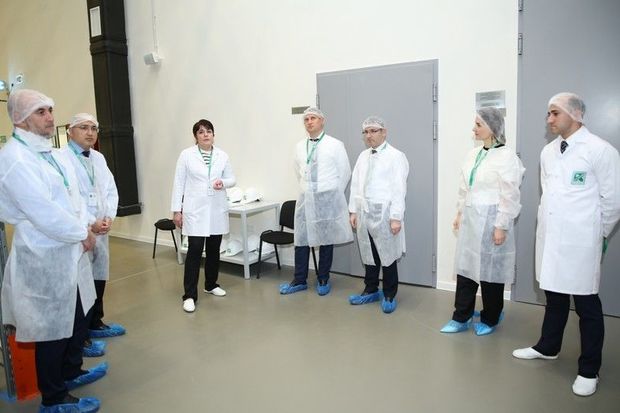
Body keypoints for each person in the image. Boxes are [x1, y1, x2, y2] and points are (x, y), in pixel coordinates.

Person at [0, 89, 106, 413]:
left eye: (50, 110)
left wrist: (85, 226)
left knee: (77, 315)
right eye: (41, 112)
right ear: (21, 119)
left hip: (71, 247)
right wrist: (82, 233)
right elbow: (42, 212)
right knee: (52, 329)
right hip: (45, 253)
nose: (50, 117)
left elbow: (74, 196)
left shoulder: (50, 153)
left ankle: (71, 372)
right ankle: (54, 397)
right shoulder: (15, 158)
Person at [513, 93, 620, 396]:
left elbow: (613, 201)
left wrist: (597, 234)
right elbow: (549, 193)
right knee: (555, 297)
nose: (549, 119)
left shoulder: (600, 150)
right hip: (551, 237)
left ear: (575, 114)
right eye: (548, 113)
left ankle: (589, 369)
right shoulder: (548, 152)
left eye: (554, 113)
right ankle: (548, 347)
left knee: (586, 304)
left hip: (581, 239)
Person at [440, 107, 525, 336]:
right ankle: (461, 316)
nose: (474, 129)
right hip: (471, 218)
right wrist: (460, 213)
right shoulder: (473, 154)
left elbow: (510, 195)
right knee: (466, 268)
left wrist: (501, 225)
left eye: (478, 124)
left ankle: (491, 317)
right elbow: (464, 188)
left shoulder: (507, 156)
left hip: (492, 219)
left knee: (490, 272)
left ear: (493, 127)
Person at [61, 113, 125, 356]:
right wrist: (90, 222)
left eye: (93, 128)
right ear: (70, 131)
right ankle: (81, 335)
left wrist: (108, 217)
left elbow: (110, 189)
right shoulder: (61, 158)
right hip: (80, 230)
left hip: (101, 228)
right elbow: (69, 198)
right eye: (83, 127)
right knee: (81, 284)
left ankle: (95, 321)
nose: (90, 132)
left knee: (99, 275)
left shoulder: (98, 157)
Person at [279, 107, 353, 295]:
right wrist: (308, 189)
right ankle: (299, 280)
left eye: (313, 118)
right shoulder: (299, 146)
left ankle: (323, 278)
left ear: (322, 121)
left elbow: (345, 172)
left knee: (326, 240)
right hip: (306, 199)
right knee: (301, 239)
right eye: (306, 119)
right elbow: (298, 171)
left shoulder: (335, 145)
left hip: (327, 199)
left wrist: (332, 195)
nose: (309, 122)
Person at [171, 119, 236, 313]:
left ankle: (211, 284)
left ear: (213, 135)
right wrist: (176, 210)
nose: (205, 134)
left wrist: (222, 183)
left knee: (214, 249)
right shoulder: (186, 155)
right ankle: (189, 295)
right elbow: (178, 183)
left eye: (209, 131)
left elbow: (232, 179)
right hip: (195, 210)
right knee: (195, 251)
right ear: (196, 136)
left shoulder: (222, 155)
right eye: (201, 132)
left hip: (216, 208)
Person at [348, 116, 409, 313]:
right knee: (369, 254)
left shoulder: (396, 156)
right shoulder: (363, 156)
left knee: (387, 255)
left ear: (384, 132)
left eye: (373, 131)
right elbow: (355, 185)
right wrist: (353, 210)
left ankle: (389, 294)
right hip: (364, 212)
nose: (369, 135)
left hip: (384, 215)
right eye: (366, 132)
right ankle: (371, 289)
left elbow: (399, 189)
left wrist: (396, 217)